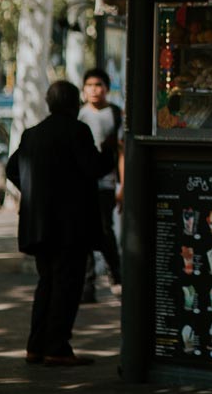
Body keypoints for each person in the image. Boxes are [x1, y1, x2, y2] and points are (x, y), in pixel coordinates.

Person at [6, 80, 116, 366]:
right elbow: (94, 168)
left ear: (48, 102)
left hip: (39, 225)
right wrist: (109, 151)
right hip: (70, 226)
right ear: (72, 104)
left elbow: (11, 169)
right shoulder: (78, 131)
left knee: (47, 283)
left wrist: (34, 193)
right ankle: (57, 347)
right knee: (67, 286)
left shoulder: (32, 134)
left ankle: (35, 346)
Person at [78, 68, 123, 301]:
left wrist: (123, 186)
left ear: (106, 88)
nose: (94, 90)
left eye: (98, 85)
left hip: (106, 183)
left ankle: (117, 277)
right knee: (84, 233)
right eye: (89, 85)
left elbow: (122, 151)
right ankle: (88, 285)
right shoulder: (79, 114)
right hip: (83, 184)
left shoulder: (115, 114)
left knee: (106, 231)